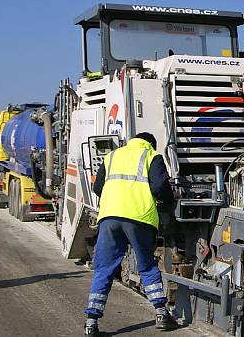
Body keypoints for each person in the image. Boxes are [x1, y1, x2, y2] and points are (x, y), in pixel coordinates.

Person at [83, 132, 178, 336]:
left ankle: (91, 323)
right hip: (139, 218)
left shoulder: (112, 156)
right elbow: (160, 186)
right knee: (146, 265)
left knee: (103, 268)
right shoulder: (152, 156)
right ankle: (161, 313)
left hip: (109, 218)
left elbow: (98, 187)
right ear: (151, 143)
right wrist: (167, 202)